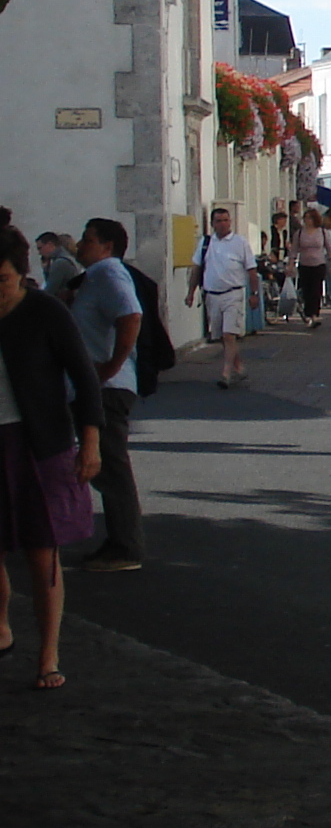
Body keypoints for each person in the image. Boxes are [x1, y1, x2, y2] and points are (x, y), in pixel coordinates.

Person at [0, 225, 105, 691]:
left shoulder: (45, 313)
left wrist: (92, 442)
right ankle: (2, 624)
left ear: (22, 276)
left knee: (43, 551)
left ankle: (48, 654)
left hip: (39, 442)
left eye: (1, 280)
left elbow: (84, 379)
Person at [67, 219, 143, 571]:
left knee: (110, 465)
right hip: (99, 384)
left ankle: (124, 547)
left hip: (107, 388)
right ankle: (119, 543)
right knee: (107, 465)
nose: (81, 245)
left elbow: (130, 315)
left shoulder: (108, 272)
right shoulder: (96, 276)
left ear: (107, 246)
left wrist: (112, 365)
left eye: (88, 240)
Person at [186, 204, 253, 387]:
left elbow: (251, 269)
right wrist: (191, 292)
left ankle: (226, 374)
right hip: (212, 295)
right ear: (212, 224)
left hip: (233, 293)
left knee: (228, 334)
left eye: (226, 220)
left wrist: (253, 293)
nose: (223, 224)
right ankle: (238, 367)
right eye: (219, 221)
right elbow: (197, 269)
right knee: (222, 336)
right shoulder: (206, 243)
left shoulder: (240, 243)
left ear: (230, 222)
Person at [291, 207, 331, 330]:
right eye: (306, 218)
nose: (307, 220)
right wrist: (291, 264)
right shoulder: (299, 233)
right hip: (304, 264)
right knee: (306, 290)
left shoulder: (322, 232)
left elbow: (329, 248)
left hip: (319, 264)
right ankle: (308, 313)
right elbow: (294, 250)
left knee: (316, 289)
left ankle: (314, 315)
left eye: (310, 218)